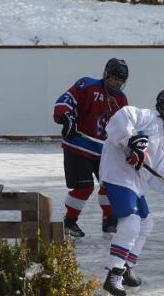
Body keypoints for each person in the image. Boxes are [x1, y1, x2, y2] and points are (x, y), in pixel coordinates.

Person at [99, 89, 164, 296]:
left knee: (146, 222)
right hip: (118, 175)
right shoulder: (147, 117)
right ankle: (113, 274)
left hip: (135, 182)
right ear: (162, 107)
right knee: (131, 222)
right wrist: (130, 140)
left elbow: (159, 168)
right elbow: (123, 115)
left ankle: (126, 268)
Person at [52, 58, 129, 238]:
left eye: (121, 80)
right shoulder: (87, 85)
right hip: (78, 147)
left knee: (110, 184)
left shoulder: (121, 99)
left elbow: (126, 125)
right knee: (84, 187)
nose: (118, 83)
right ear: (105, 75)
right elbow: (65, 101)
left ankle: (109, 219)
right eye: (115, 79)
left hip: (104, 151)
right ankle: (69, 222)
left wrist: (130, 143)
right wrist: (66, 118)